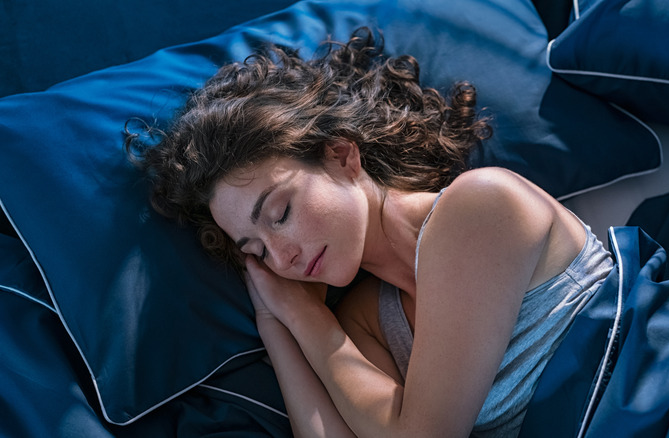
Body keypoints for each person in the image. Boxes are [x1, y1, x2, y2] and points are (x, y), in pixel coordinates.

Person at [126, 28, 613, 437]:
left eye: (280, 214)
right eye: (255, 250)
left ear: (342, 156)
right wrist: (278, 323)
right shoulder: (367, 322)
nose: (281, 257)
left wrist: (310, 322)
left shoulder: (480, 205)